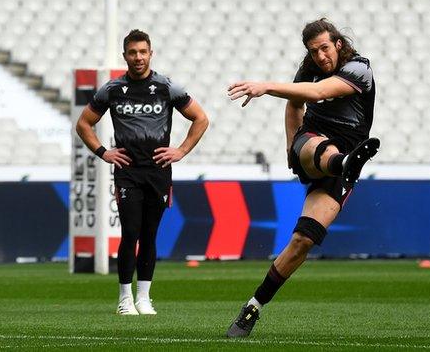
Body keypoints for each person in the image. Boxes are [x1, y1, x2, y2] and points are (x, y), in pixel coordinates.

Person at [224, 18, 379, 338]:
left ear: (338, 43)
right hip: (311, 140)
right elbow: (296, 101)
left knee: (302, 241)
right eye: (313, 51)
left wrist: (266, 86)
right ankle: (341, 163)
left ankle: (252, 307)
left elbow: (319, 91)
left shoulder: (359, 68)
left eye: (324, 48)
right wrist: (289, 144)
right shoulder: (308, 68)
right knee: (321, 149)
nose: (320, 56)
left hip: (344, 157)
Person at [75, 29, 209, 316]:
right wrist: (104, 152)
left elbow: (200, 118)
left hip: (159, 171)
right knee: (130, 232)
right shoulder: (112, 89)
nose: (138, 57)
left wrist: (181, 150)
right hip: (128, 171)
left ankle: (144, 298)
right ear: (125, 56)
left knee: (149, 234)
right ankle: (125, 298)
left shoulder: (166, 86)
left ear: (151, 53)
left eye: (143, 52)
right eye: (133, 52)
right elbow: (84, 124)